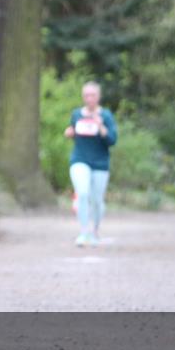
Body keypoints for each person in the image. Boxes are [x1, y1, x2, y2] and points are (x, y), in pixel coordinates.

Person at [64, 82, 118, 247]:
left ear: (98, 96)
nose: (89, 98)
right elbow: (74, 131)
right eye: (86, 95)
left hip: (100, 163)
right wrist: (69, 133)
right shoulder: (76, 114)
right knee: (83, 193)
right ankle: (83, 232)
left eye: (92, 95)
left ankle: (95, 230)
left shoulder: (106, 116)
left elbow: (112, 140)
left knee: (96, 200)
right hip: (79, 160)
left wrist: (100, 125)